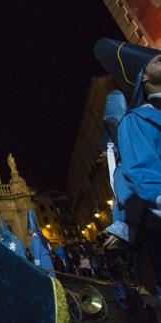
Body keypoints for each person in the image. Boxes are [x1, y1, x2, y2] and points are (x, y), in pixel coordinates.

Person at [94, 38, 161, 298]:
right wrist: (122, 226)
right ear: (143, 77)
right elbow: (140, 178)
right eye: (156, 59)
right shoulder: (137, 121)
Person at [27, 209, 55, 277]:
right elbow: (49, 247)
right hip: (47, 258)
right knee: (51, 275)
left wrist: (37, 264)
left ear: (31, 229)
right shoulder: (41, 236)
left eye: (28, 230)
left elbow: (37, 252)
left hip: (42, 260)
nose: (28, 231)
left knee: (47, 277)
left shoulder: (34, 238)